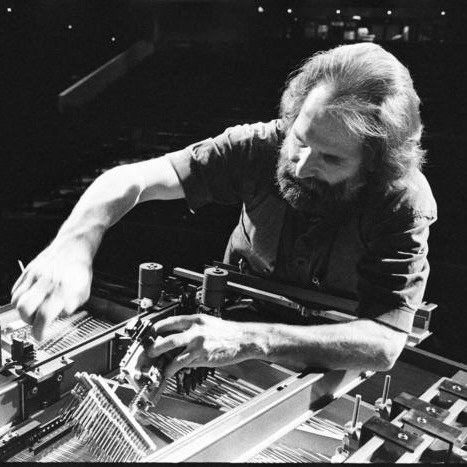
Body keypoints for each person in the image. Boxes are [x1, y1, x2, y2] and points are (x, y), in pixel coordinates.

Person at [11, 42, 437, 378]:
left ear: (373, 164)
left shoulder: (401, 200)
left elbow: (383, 342)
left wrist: (250, 340)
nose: (302, 165)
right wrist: (75, 243)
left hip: (329, 348)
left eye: (331, 159)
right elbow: (130, 179)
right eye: (302, 139)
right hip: (231, 316)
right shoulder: (259, 145)